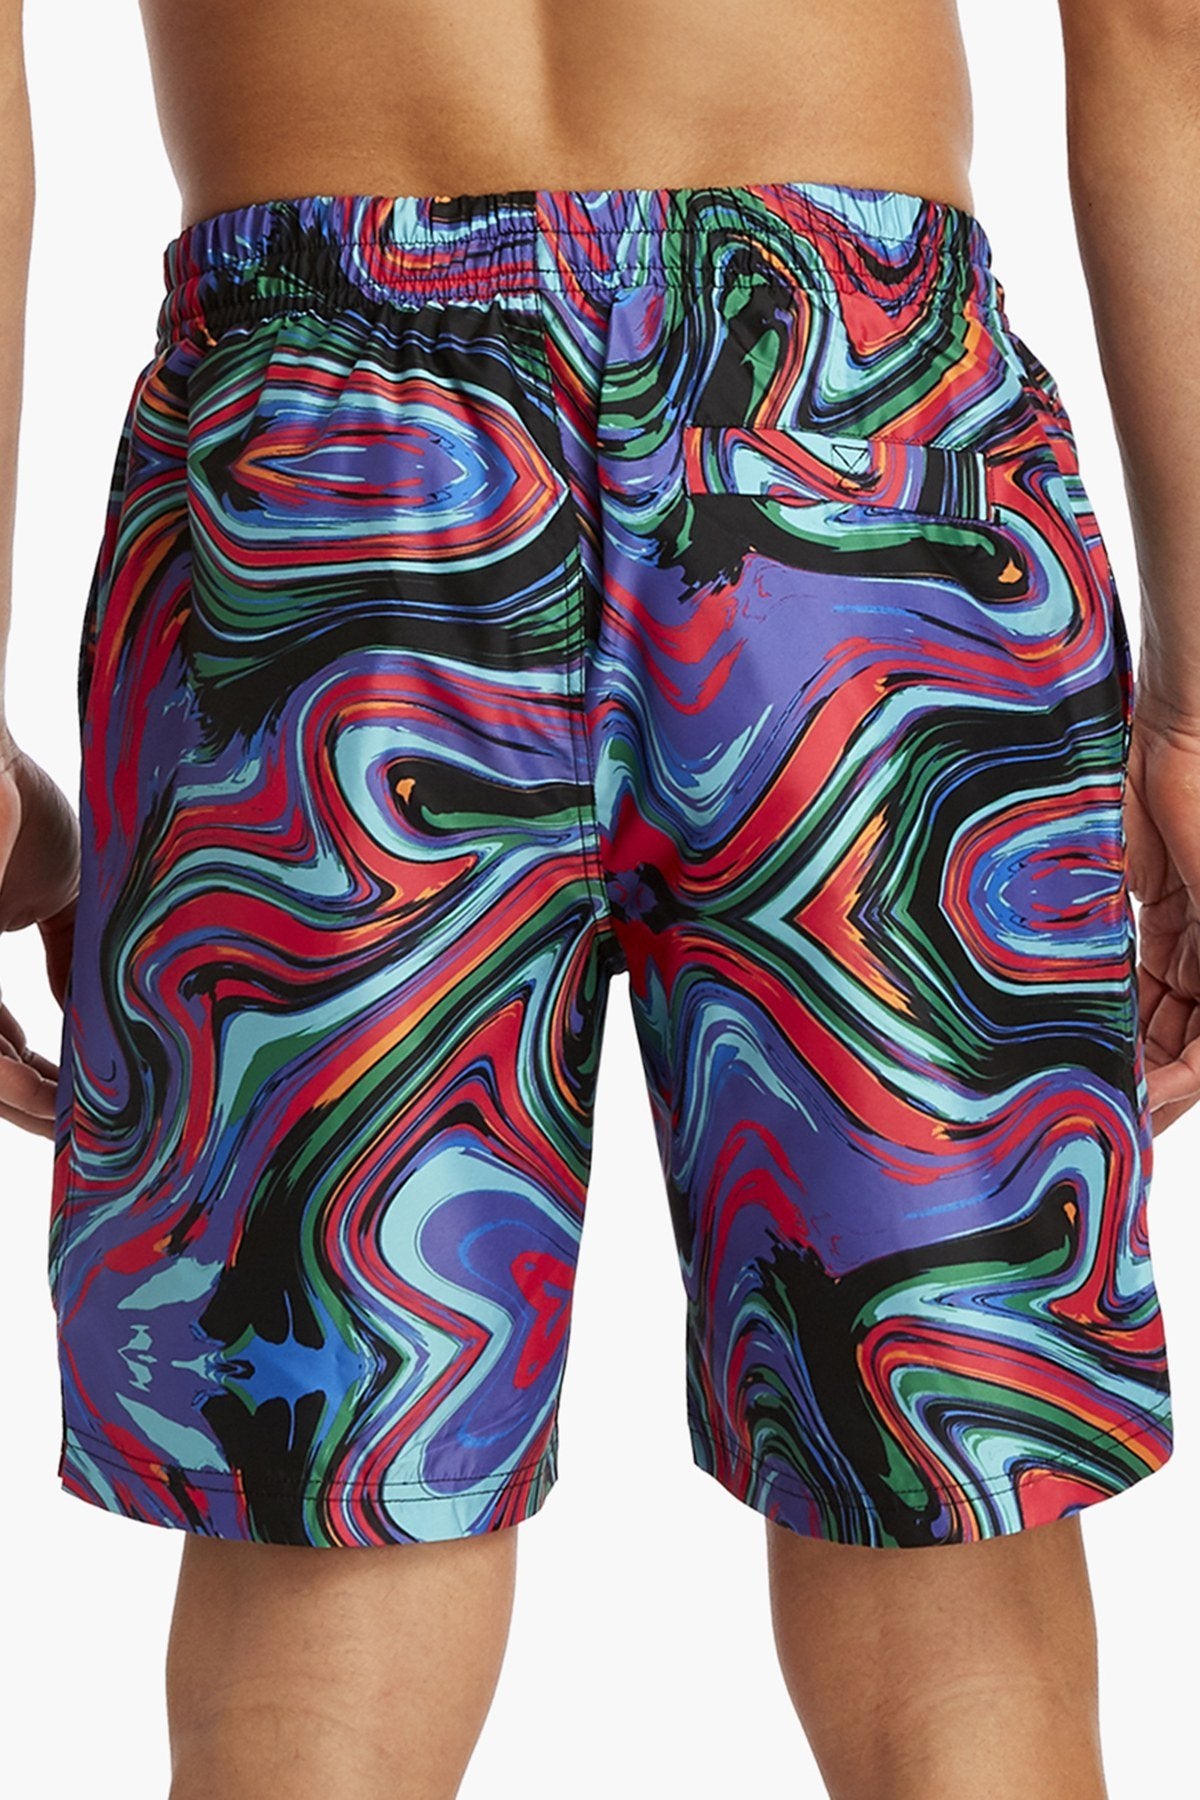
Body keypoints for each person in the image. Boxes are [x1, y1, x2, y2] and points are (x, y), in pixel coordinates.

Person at [1, 0, 1194, 1794]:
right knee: (957, 1576)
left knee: (318, 1614)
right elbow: (1160, 32)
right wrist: (1195, 715)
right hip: (860, 460)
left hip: (318, 497)